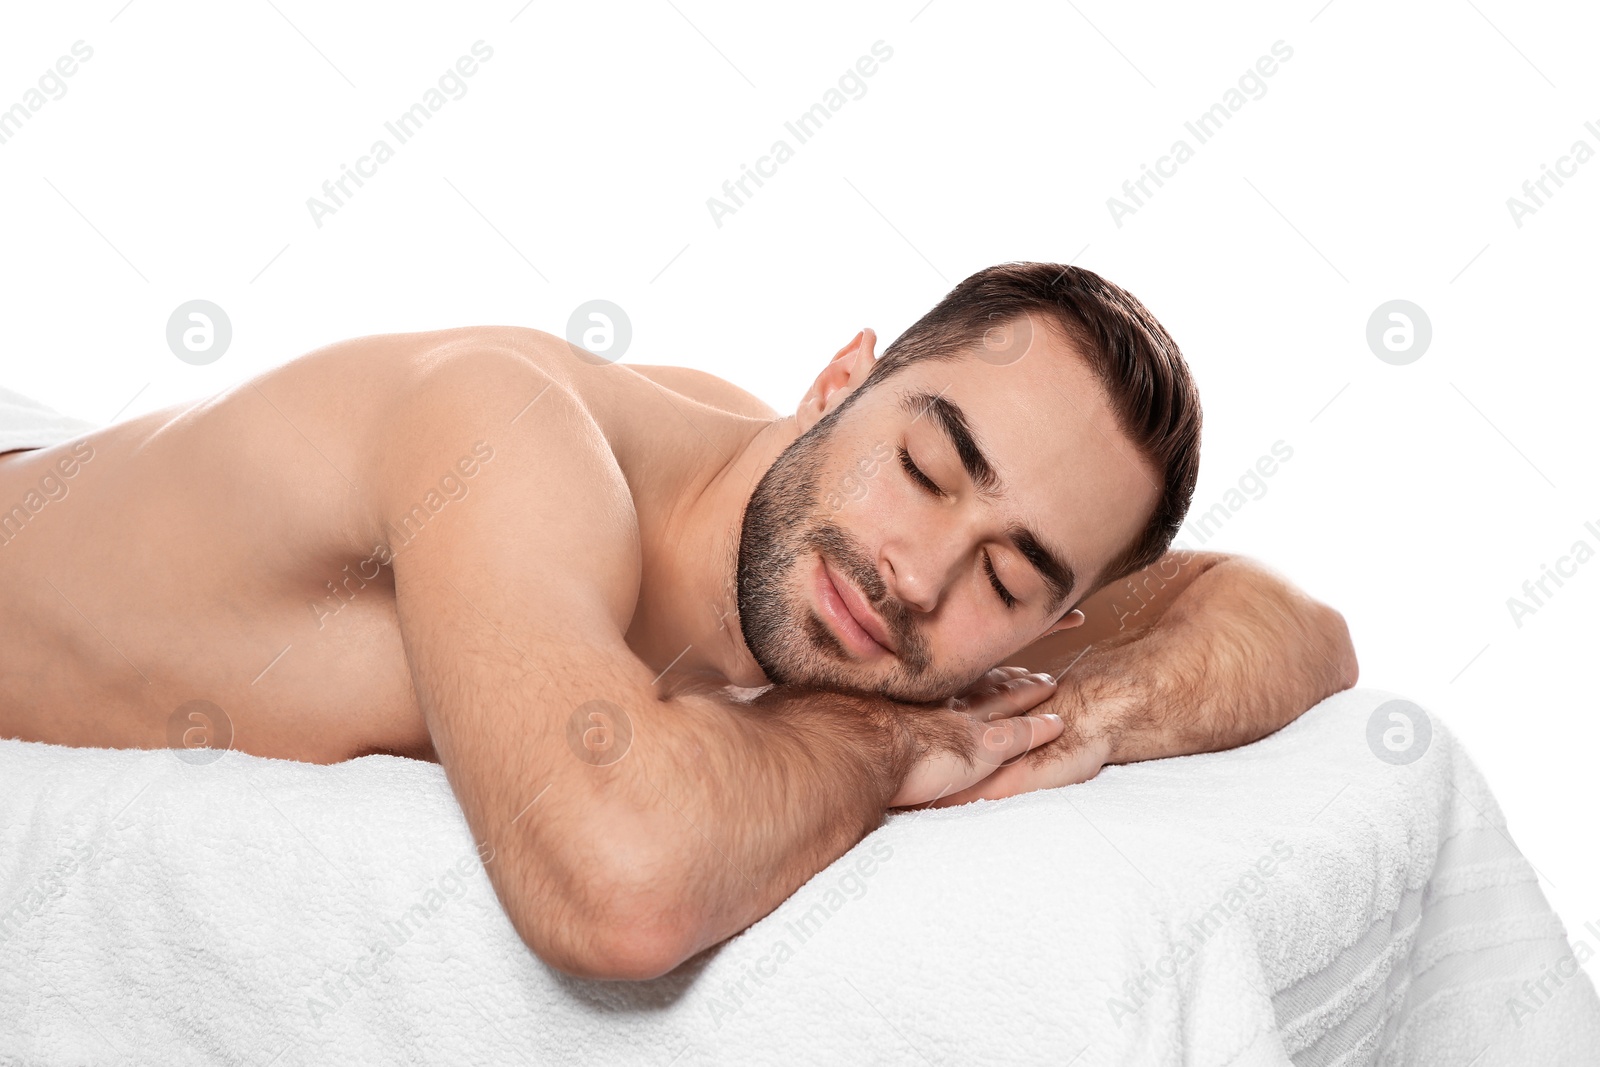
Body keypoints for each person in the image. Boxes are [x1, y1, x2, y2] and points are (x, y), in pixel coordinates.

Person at [0, 262, 1356, 980]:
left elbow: (1293, 624)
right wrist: (885, 747)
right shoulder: (512, 434)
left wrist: (1090, 718)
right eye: (931, 468)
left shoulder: (859, 563)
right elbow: (623, 886)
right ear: (835, 383)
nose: (919, 578)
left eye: (1011, 580)